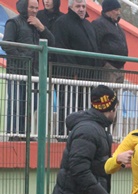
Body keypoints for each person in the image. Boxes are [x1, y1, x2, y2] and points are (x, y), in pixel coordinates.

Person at [3, 0, 55, 136]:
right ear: (24, 7)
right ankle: (14, 134)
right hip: (17, 72)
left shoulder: (37, 25)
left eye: (36, 8)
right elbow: (7, 45)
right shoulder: (13, 23)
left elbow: (52, 42)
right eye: (32, 7)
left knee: (31, 106)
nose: (34, 10)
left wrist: (42, 28)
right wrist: (23, 60)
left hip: (34, 73)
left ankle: (23, 134)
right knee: (16, 105)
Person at [53, 0, 102, 135]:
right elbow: (61, 49)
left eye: (83, 6)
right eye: (78, 6)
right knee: (68, 106)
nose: (81, 9)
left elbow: (95, 49)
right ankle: (64, 134)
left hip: (89, 76)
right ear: (70, 7)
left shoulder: (88, 25)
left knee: (84, 107)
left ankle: (81, 133)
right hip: (69, 76)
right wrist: (73, 71)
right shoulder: (62, 23)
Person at [92, 0, 128, 84]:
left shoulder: (116, 25)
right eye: (116, 10)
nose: (118, 13)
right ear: (108, 10)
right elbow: (95, 45)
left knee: (116, 91)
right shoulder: (98, 24)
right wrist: (104, 64)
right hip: (108, 67)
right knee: (106, 92)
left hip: (119, 67)